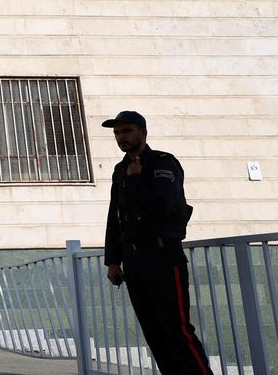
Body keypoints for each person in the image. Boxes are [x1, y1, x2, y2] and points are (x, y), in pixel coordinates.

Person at [103, 110, 210, 374]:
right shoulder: (120, 170)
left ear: (143, 132)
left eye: (127, 130)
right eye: (117, 132)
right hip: (134, 260)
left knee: (177, 330)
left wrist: (138, 179)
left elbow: (162, 207)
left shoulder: (163, 163)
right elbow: (115, 216)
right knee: (153, 332)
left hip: (163, 256)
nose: (121, 137)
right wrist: (113, 260)